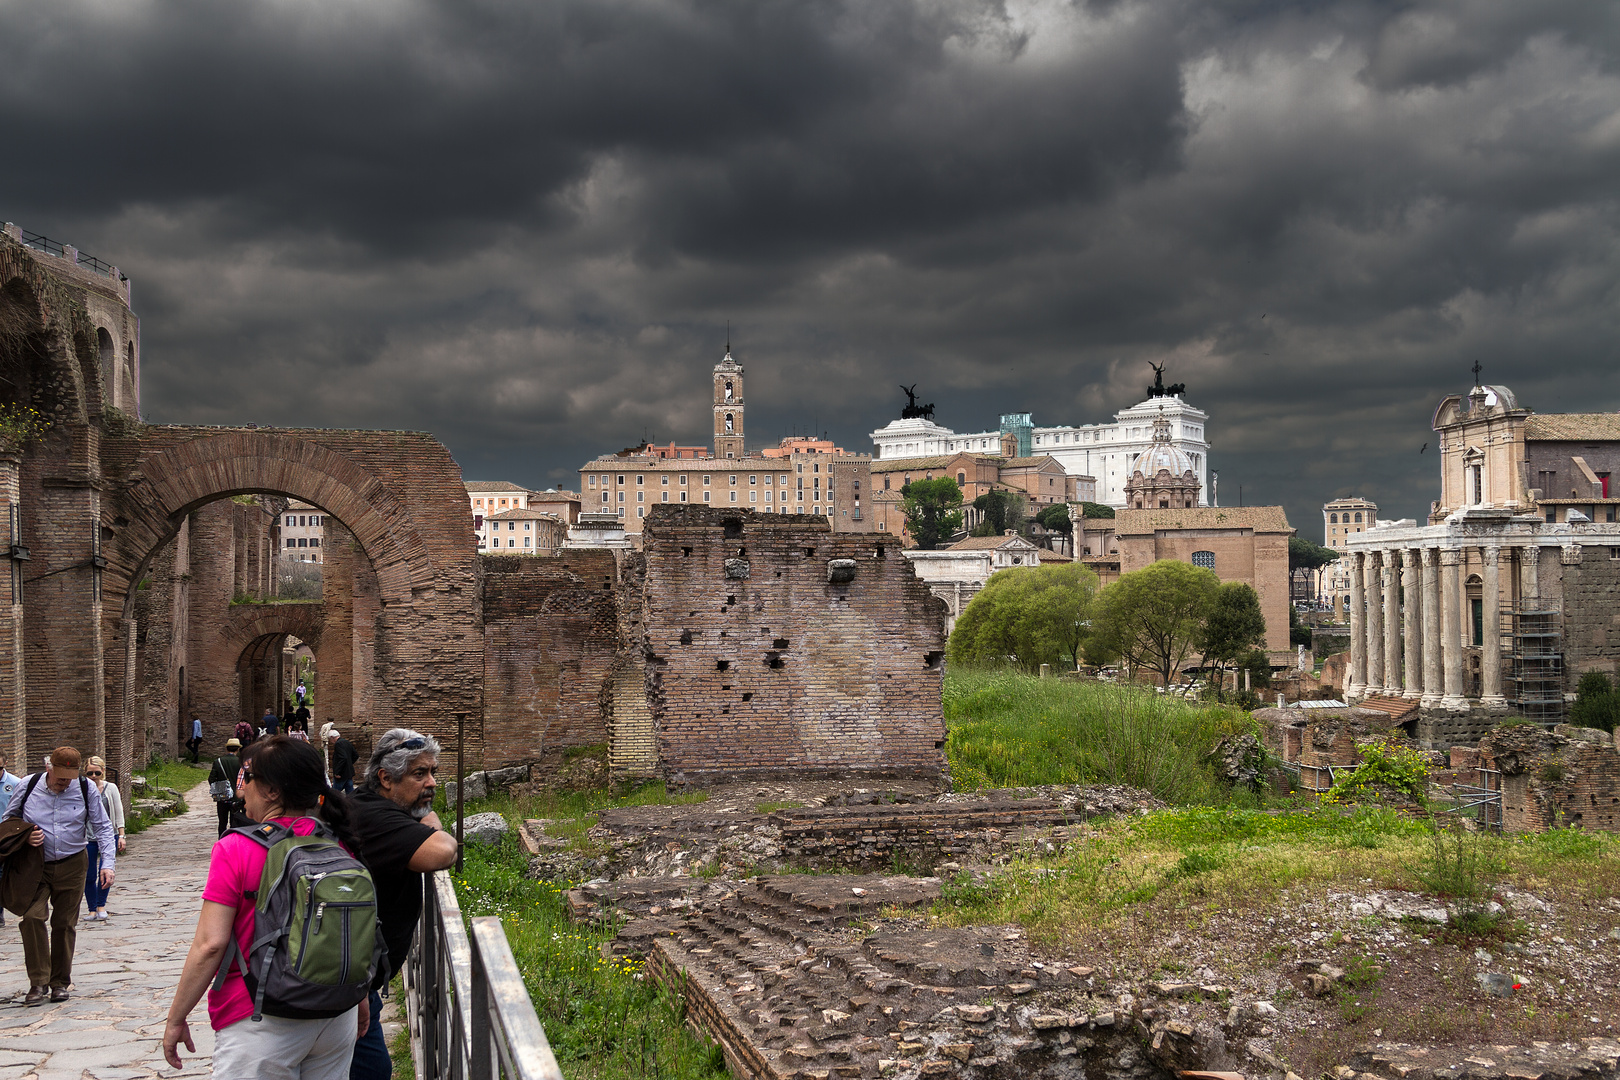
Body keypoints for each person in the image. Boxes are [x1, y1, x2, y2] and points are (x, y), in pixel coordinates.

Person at [162, 737, 369, 1079]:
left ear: (272, 791)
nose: (242, 790)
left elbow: (209, 945)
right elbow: (344, 928)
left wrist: (176, 1017)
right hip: (335, 1016)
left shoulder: (235, 848)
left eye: (248, 777)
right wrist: (357, 996)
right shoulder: (336, 841)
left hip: (260, 1017)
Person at [348, 729, 458, 1080]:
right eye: (419, 773)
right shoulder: (377, 818)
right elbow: (442, 851)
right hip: (347, 985)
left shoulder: (370, 806)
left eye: (433, 772)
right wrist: (432, 824)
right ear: (385, 778)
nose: (431, 783)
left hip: (354, 981)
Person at [4, 746, 116, 1005]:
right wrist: (24, 835)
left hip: (73, 864)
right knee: (32, 918)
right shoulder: (28, 785)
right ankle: (38, 982)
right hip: (35, 866)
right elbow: (8, 821)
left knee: (64, 924)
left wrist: (107, 864)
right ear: (48, 768)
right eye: (60, 776)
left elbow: (101, 826)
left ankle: (59, 983)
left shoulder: (86, 788)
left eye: (70, 777)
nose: (64, 782)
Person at [82, 757, 125, 922]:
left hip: (108, 835)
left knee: (106, 871)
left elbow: (118, 811)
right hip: (88, 837)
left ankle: (101, 905)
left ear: (103, 772)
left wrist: (121, 835)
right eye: (90, 773)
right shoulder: (82, 788)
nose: (93, 776)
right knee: (89, 874)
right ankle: (91, 908)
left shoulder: (110, 788)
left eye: (97, 772)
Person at [209, 740, 244, 839]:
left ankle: (221, 841)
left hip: (222, 797)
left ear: (226, 748)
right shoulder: (241, 762)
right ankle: (233, 842)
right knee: (234, 823)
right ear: (238, 749)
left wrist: (218, 788)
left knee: (222, 823)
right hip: (237, 798)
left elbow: (211, 779)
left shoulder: (218, 761)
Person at [327, 729, 357, 795]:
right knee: (350, 792)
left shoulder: (338, 744)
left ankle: (334, 804)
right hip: (348, 772)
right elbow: (355, 755)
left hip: (341, 774)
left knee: (335, 793)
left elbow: (343, 757)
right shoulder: (347, 742)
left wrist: (338, 772)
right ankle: (351, 804)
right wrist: (349, 763)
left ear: (332, 737)